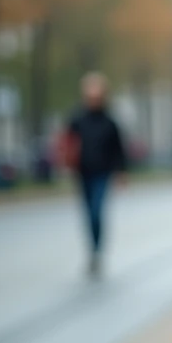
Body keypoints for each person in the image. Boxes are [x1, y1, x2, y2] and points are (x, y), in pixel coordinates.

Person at [66, 72, 127, 277]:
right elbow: (67, 143)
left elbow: (118, 149)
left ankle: (98, 250)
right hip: (83, 173)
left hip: (102, 173)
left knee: (96, 211)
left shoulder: (109, 122)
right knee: (87, 214)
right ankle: (92, 250)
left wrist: (121, 172)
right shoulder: (77, 119)